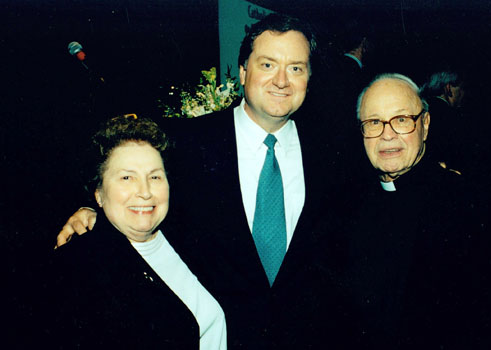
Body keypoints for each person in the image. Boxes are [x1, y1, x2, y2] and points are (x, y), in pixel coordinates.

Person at [55, 14, 339, 349]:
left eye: (296, 68)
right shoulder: (186, 143)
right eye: (267, 64)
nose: (281, 80)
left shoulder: (333, 154)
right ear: (244, 71)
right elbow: (127, 180)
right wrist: (89, 207)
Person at [328, 73, 491, 348]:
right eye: (374, 122)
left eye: (402, 120)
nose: (387, 134)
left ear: (425, 125)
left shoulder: (472, 203)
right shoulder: (342, 209)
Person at [50, 115, 226, 349]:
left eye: (154, 176)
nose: (144, 192)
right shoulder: (75, 270)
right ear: (99, 194)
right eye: (126, 177)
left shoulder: (191, 239)